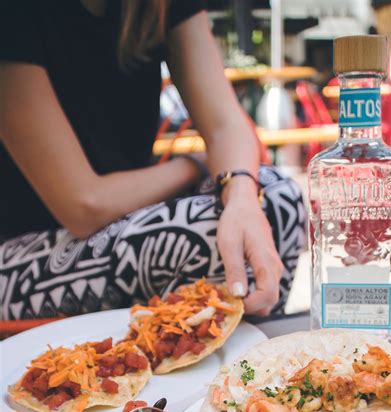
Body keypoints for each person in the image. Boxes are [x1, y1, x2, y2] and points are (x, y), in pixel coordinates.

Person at [0, 0, 305, 320]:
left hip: (122, 221)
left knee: (276, 199)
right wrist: (196, 163)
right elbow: (83, 205)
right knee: (204, 234)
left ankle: (245, 363)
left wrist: (241, 195)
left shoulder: (154, 7)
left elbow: (227, 125)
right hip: (18, 255)